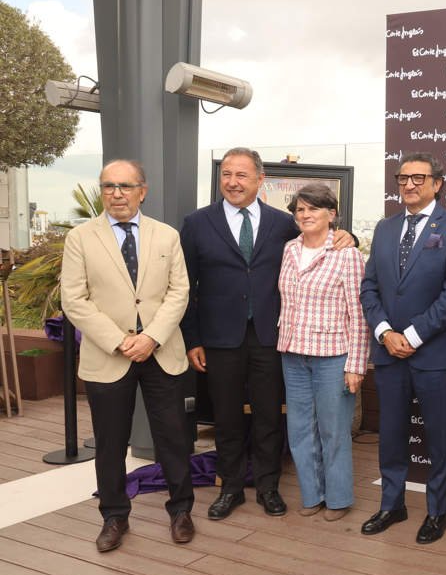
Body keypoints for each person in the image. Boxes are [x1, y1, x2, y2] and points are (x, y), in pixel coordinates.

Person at [180, 147, 353, 521]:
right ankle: (229, 488)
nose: (233, 182)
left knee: (269, 416)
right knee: (226, 416)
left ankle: (268, 487)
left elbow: (318, 234)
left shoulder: (283, 223)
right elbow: (185, 286)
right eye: (227, 174)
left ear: (260, 180)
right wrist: (192, 339)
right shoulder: (196, 223)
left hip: (271, 337)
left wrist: (347, 235)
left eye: (241, 175)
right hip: (218, 338)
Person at [60, 159, 194, 552]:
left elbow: (179, 292)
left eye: (125, 186)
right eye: (109, 186)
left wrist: (151, 336)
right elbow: (74, 299)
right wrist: (120, 341)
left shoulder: (166, 236)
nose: (116, 194)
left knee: (173, 437)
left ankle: (181, 510)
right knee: (111, 443)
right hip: (109, 355)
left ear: (142, 191)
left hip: (161, 351)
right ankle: (114, 516)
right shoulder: (80, 238)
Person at [360, 152, 446, 543]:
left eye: (418, 178)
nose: (408, 185)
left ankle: (437, 511)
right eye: (402, 178)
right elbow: (369, 287)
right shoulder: (385, 228)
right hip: (388, 353)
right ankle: (392, 504)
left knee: (438, 438)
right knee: (391, 434)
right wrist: (385, 333)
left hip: (433, 354)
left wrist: (413, 335)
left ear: (437, 184)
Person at [276, 183, 367, 522]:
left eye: (312, 208)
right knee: (299, 430)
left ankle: (339, 499)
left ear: (332, 214)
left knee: (334, 431)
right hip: (292, 353)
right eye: (300, 209)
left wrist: (356, 365)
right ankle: (312, 494)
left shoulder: (347, 254)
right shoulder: (289, 249)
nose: (305, 215)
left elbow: (359, 314)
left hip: (333, 355)